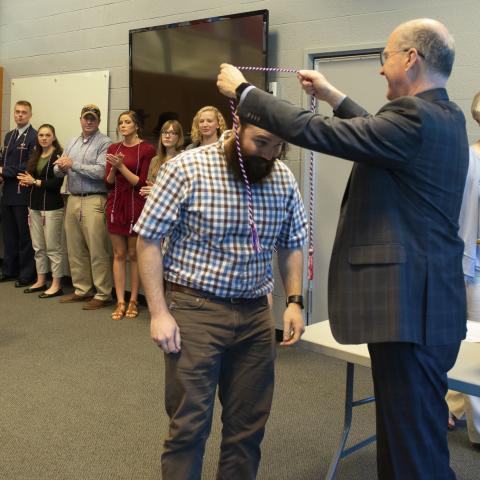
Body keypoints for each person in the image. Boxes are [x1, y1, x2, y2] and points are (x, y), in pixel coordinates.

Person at [217, 17, 468, 480]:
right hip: (425, 310)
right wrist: (333, 96)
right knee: (407, 436)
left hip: (412, 313)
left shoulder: (415, 118)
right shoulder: (442, 116)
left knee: (416, 453)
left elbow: (327, 135)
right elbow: (374, 134)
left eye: (385, 57)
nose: (380, 69)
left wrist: (246, 94)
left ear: (411, 58)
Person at [135, 120, 307, 479]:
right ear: (237, 127)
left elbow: (292, 243)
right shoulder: (186, 168)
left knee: (248, 429)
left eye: (279, 147)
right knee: (189, 426)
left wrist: (294, 301)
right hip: (195, 311)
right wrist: (159, 312)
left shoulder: (282, 178)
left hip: (256, 318)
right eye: (262, 142)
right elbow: (148, 240)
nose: (270, 154)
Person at [446, 91, 480, 447]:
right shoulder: (469, 159)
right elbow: (464, 221)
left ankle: (452, 404)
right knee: (474, 344)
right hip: (472, 263)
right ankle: (479, 429)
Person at [54, 104, 113, 310]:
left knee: (97, 249)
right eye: (85, 118)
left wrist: (73, 165)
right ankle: (82, 289)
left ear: (98, 121)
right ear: (80, 119)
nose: (88, 121)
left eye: (92, 118)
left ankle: (103, 293)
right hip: (72, 198)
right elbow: (58, 168)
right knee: (75, 248)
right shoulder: (72, 141)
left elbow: (101, 172)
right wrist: (60, 167)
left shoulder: (105, 142)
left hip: (94, 199)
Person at [105, 111, 155, 320]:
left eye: (127, 122)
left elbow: (140, 182)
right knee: (118, 254)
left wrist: (121, 166)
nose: (123, 125)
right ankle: (120, 301)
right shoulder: (113, 148)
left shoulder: (146, 149)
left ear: (136, 126)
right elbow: (108, 181)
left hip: (136, 203)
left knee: (134, 255)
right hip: (116, 203)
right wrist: (114, 169)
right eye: (121, 123)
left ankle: (134, 299)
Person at [17, 124, 65, 298]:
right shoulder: (35, 154)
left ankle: (57, 284)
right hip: (34, 206)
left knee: (53, 248)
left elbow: (56, 183)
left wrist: (35, 182)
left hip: (52, 207)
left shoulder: (58, 155)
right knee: (38, 247)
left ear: (53, 137)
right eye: (41, 135)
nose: (44, 138)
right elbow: (31, 177)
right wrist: (26, 181)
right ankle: (40, 280)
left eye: (47, 135)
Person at [0, 100, 37, 287]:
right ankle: (9, 269)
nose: (20, 115)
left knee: (25, 236)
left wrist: (3, 172)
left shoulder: (34, 136)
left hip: (22, 193)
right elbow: (2, 159)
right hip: (6, 192)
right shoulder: (9, 136)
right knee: (8, 235)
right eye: (17, 112)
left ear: (30, 115)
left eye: (24, 112)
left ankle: (26, 274)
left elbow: (29, 165)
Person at [140, 119, 184, 198]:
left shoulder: (184, 159)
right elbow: (149, 186)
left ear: (179, 137)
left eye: (173, 133)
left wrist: (158, 190)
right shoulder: (155, 160)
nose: (167, 136)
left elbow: (184, 189)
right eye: (164, 132)